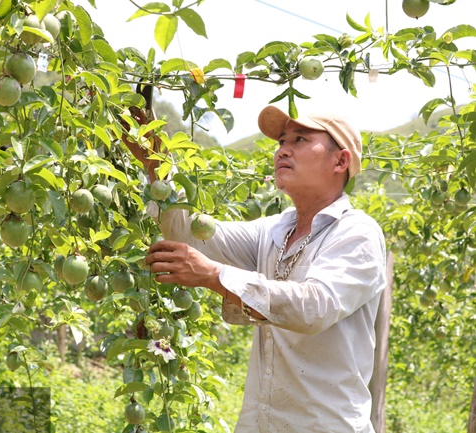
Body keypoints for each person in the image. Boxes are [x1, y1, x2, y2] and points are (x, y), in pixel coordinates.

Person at [123, 105, 387, 433]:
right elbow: (191, 234)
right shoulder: (274, 231)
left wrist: (214, 275)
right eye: (281, 142)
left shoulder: (356, 232)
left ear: (341, 160)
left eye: (300, 139)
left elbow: (314, 307)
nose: (283, 150)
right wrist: (156, 164)